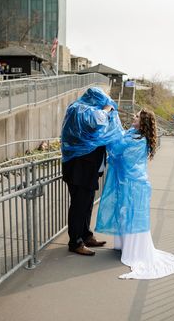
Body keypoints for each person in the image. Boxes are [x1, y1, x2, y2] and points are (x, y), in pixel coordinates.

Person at [95, 109, 174, 279]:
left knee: (131, 216)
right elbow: (120, 141)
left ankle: (133, 251)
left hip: (134, 184)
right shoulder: (133, 135)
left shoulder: (137, 139)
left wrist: (112, 122)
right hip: (129, 183)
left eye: (136, 116)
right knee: (125, 214)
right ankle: (126, 246)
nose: (133, 117)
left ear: (142, 122)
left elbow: (116, 149)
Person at [61, 87, 123, 256]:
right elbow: (96, 120)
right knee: (79, 205)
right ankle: (75, 242)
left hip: (87, 168)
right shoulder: (78, 109)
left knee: (87, 203)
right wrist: (107, 108)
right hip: (79, 168)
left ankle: (85, 235)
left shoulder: (85, 109)